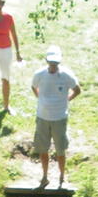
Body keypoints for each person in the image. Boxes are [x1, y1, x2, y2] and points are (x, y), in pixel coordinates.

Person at [30, 45, 81, 188]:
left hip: (59, 118)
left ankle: (62, 177)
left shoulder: (66, 75)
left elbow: (77, 90)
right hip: (43, 117)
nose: (53, 66)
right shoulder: (39, 74)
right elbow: (33, 86)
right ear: (47, 61)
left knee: (60, 149)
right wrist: (39, 98)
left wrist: (67, 100)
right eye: (51, 63)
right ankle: (45, 176)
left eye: (55, 64)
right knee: (43, 149)